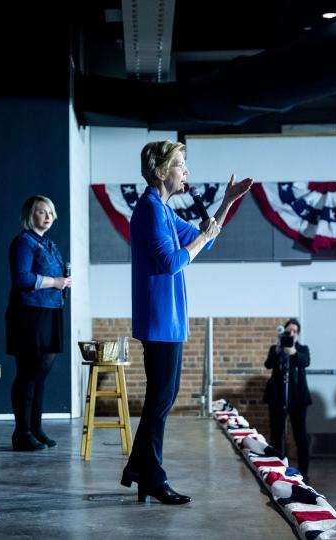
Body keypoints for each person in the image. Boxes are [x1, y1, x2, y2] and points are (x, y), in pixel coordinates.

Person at [120, 140, 252, 504]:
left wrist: (226, 203)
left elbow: (201, 242)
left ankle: (140, 471)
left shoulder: (162, 209)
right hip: (158, 318)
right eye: (180, 164)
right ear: (161, 171)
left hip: (171, 317)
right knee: (161, 400)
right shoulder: (149, 209)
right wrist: (204, 238)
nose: (186, 171)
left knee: (162, 398)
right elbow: (171, 262)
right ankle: (152, 475)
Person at [6, 195, 71, 451]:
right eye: (41, 211)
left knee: (42, 373)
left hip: (50, 311)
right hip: (29, 313)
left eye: (50, 212)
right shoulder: (24, 242)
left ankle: (36, 428)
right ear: (29, 215)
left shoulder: (49, 244)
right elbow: (22, 278)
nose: (47, 216)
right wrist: (55, 282)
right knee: (28, 372)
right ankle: (21, 432)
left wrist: (61, 282)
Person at [263, 318, 312, 478]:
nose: (291, 334)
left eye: (294, 331)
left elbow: (305, 361)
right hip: (278, 397)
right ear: (284, 332)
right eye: (288, 331)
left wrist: (294, 353)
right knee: (276, 434)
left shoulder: (302, 349)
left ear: (298, 334)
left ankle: (304, 471)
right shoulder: (275, 348)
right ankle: (276, 469)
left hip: (298, 398)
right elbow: (268, 364)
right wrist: (278, 350)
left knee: (300, 435)